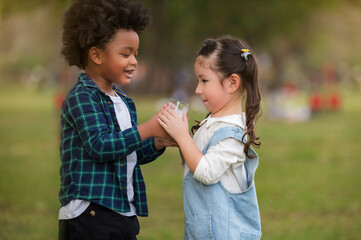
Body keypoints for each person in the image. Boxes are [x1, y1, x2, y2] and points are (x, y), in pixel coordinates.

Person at [58, 0, 174, 239]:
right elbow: (100, 147)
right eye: (125, 54)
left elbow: (129, 153)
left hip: (123, 212)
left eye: (136, 54)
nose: (134, 61)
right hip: (89, 214)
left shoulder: (124, 102)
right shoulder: (82, 97)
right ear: (96, 55)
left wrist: (157, 141)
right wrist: (146, 129)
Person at [158, 36, 262, 239]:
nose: (197, 89)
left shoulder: (233, 134)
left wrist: (182, 136)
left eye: (204, 80)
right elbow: (196, 161)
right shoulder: (212, 124)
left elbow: (206, 172)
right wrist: (178, 138)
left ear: (232, 83)